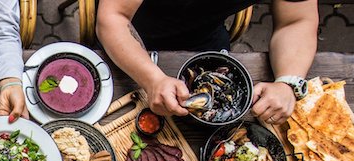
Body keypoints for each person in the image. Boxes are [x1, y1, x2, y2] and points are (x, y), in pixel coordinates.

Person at [96, 0, 318, 125]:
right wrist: (152, 79)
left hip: (205, 38)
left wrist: (288, 81)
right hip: (130, 36)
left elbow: (296, 21)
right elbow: (113, 18)